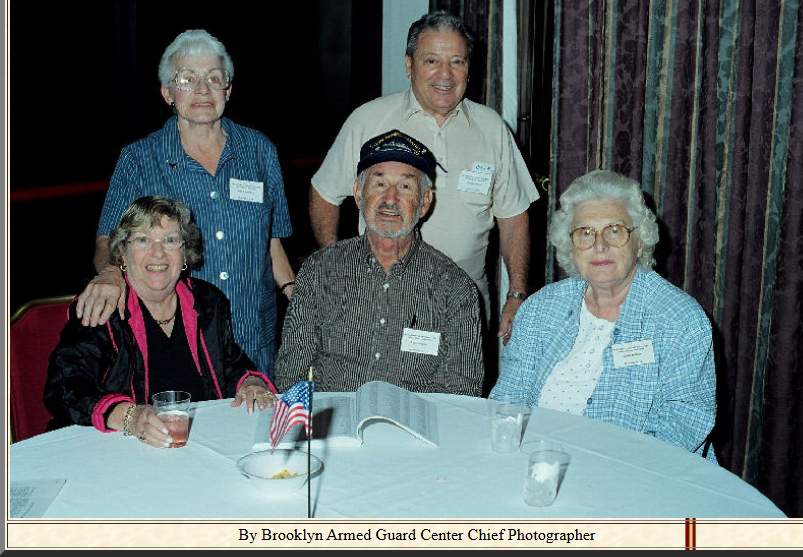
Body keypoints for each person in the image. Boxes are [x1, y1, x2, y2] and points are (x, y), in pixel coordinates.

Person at [309, 10, 539, 343]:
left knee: (462, 378)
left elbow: (514, 216)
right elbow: (323, 193)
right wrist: (337, 268)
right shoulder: (369, 120)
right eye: (431, 61)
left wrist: (516, 294)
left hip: (465, 305)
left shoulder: (492, 128)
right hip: (381, 302)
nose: (445, 74)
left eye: (457, 62)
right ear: (409, 66)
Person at [75, 29, 294, 378]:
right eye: (187, 79)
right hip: (179, 343)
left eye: (214, 78)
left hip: (254, 338)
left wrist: (299, 299)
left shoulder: (259, 150)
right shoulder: (139, 159)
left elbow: (272, 244)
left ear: (228, 89)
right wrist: (112, 274)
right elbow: (107, 241)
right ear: (168, 93)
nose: (203, 89)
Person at [490, 170, 717, 459]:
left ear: (639, 242)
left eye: (614, 231)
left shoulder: (679, 320)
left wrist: (606, 471)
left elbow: (684, 425)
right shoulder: (540, 308)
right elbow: (508, 398)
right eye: (585, 233)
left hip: (633, 471)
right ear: (570, 247)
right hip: (538, 459)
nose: (599, 246)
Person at [44, 196, 276, 448]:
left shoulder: (207, 301)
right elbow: (65, 388)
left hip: (200, 444)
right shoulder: (102, 307)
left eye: (170, 240)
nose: (158, 253)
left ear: (185, 252)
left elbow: (231, 365)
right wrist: (130, 417)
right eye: (143, 240)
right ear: (122, 252)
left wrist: (251, 383)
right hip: (115, 448)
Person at [275, 130, 483, 396]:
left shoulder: (454, 288)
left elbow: (461, 389)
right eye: (380, 184)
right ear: (358, 194)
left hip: (415, 420)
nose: (390, 198)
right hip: (335, 417)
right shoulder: (320, 270)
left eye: (405, 187)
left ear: (424, 203)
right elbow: (292, 371)